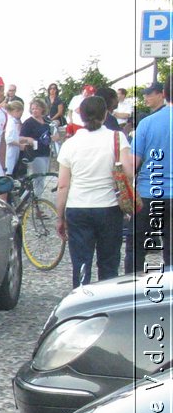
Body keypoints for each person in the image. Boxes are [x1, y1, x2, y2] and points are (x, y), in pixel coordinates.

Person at [56, 95, 135, 288]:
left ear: (81, 116)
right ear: (106, 113)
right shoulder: (117, 138)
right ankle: (107, 305)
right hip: (109, 207)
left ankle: (82, 305)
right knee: (109, 263)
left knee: (81, 262)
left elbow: (63, 185)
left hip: (78, 207)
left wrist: (60, 216)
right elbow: (129, 172)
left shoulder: (70, 144)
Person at [130, 79, 170, 274]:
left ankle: (131, 290)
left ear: (164, 93)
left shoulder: (147, 123)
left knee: (136, 248)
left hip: (148, 193)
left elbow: (132, 164)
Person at [18, 97, 54, 177]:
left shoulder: (47, 121)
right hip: (35, 154)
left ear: (42, 109)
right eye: (33, 109)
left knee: (44, 176)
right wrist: (29, 140)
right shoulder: (28, 123)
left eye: (37, 108)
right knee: (38, 178)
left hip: (46, 152)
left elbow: (54, 133)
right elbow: (20, 139)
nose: (34, 110)